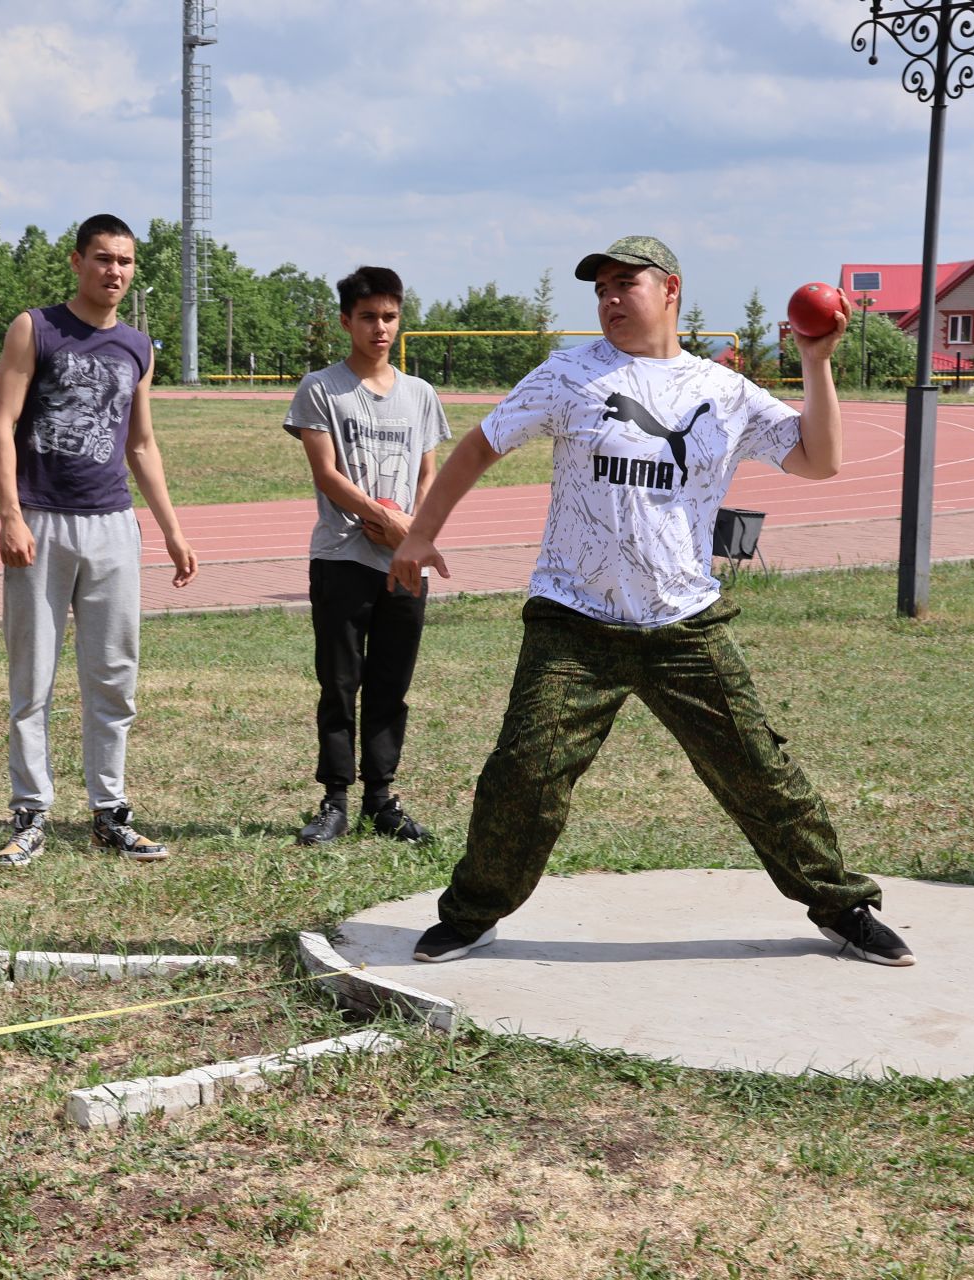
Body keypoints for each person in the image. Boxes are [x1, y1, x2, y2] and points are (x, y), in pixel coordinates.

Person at [391, 235, 915, 967]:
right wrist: (420, 535)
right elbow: (480, 444)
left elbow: (819, 460)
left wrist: (815, 363)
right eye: (599, 288)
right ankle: (474, 912)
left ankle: (842, 905)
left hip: (683, 622)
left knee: (760, 772)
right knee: (524, 772)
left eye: (623, 284)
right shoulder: (569, 374)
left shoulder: (721, 391)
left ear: (670, 289)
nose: (608, 298)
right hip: (574, 617)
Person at [0, 213, 199, 868]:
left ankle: (110, 813)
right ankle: (30, 813)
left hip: (112, 525)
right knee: (34, 678)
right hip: (42, 521)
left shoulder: (138, 346)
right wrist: (10, 515)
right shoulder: (36, 328)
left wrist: (170, 528)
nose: (114, 272)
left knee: (113, 676)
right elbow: (0, 424)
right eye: (103, 258)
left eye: (126, 262)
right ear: (76, 261)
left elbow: (140, 442)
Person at [283, 266, 448, 846]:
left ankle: (382, 799)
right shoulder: (321, 389)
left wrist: (413, 534)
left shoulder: (420, 395)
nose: (380, 328)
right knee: (339, 681)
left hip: (404, 563)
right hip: (342, 559)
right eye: (369, 317)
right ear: (346, 321)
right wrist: (385, 520)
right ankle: (334, 799)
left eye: (390, 316)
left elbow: (429, 475)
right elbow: (326, 474)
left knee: (390, 683)